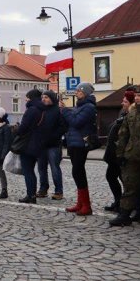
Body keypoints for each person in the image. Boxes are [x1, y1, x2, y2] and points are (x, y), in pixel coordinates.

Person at [110, 84, 140, 226]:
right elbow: (123, 134)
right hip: (132, 156)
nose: (137, 98)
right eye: (135, 96)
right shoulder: (132, 112)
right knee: (130, 186)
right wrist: (120, 154)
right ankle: (124, 215)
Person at [60, 82, 97, 216]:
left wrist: (65, 111)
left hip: (81, 143)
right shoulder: (79, 106)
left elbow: (76, 122)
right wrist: (64, 112)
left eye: (79, 91)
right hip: (73, 142)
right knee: (77, 172)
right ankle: (80, 203)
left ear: (85, 92)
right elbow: (70, 122)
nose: (77, 93)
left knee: (78, 172)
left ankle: (86, 205)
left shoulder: (88, 107)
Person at [102, 90, 134, 212]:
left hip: (123, 154)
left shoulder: (131, 115)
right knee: (111, 176)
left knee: (125, 180)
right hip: (114, 154)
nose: (122, 103)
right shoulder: (123, 113)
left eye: (125, 101)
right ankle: (118, 201)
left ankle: (129, 205)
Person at [15, 89, 46, 204]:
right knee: (32, 170)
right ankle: (32, 194)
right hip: (38, 143)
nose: (26, 99)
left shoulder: (31, 110)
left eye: (27, 97)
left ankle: (31, 195)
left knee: (28, 170)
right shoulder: (43, 109)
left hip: (28, 144)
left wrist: (17, 129)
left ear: (31, 98)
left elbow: (23, 128)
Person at [37, 90, 67, 200]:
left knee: (55, 168)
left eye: (46, 97)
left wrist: (53, 136)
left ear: (52, 98)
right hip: (41, 144)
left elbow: (63, 127)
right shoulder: (41, 110)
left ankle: (58, 191)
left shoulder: (58, 111)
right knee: (41, 168)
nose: (43, 99)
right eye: (42, 97)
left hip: (53, 144)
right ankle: (43, 189)